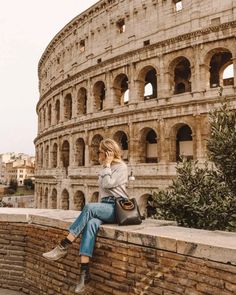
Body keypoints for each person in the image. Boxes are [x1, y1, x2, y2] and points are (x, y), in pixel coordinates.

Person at [42, 138, 128, 293]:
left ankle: (64, 245)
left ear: (109, 152)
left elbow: (109, 184)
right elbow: (103, 190)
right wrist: (105, 167)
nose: (98, 154)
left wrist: (108, 165)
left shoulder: (122, 167)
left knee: (88, 207)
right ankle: (84, 272)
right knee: (91, 224)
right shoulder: (104, 168)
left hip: (117, 207)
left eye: (101, 152)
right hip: (105, 206)